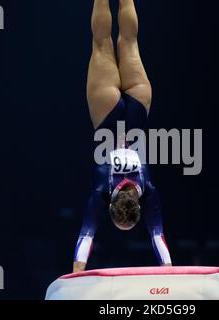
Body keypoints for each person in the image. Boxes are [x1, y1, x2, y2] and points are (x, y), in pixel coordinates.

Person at [73, 0, 172, 273]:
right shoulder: (100, 192)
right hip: (106, 112)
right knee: (101, 42)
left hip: (138, 106)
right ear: (111, 206)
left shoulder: (147, 191)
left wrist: (170, 270)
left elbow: (158, 237)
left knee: (128, 40)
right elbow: (86, 235)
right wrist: (76, 274)